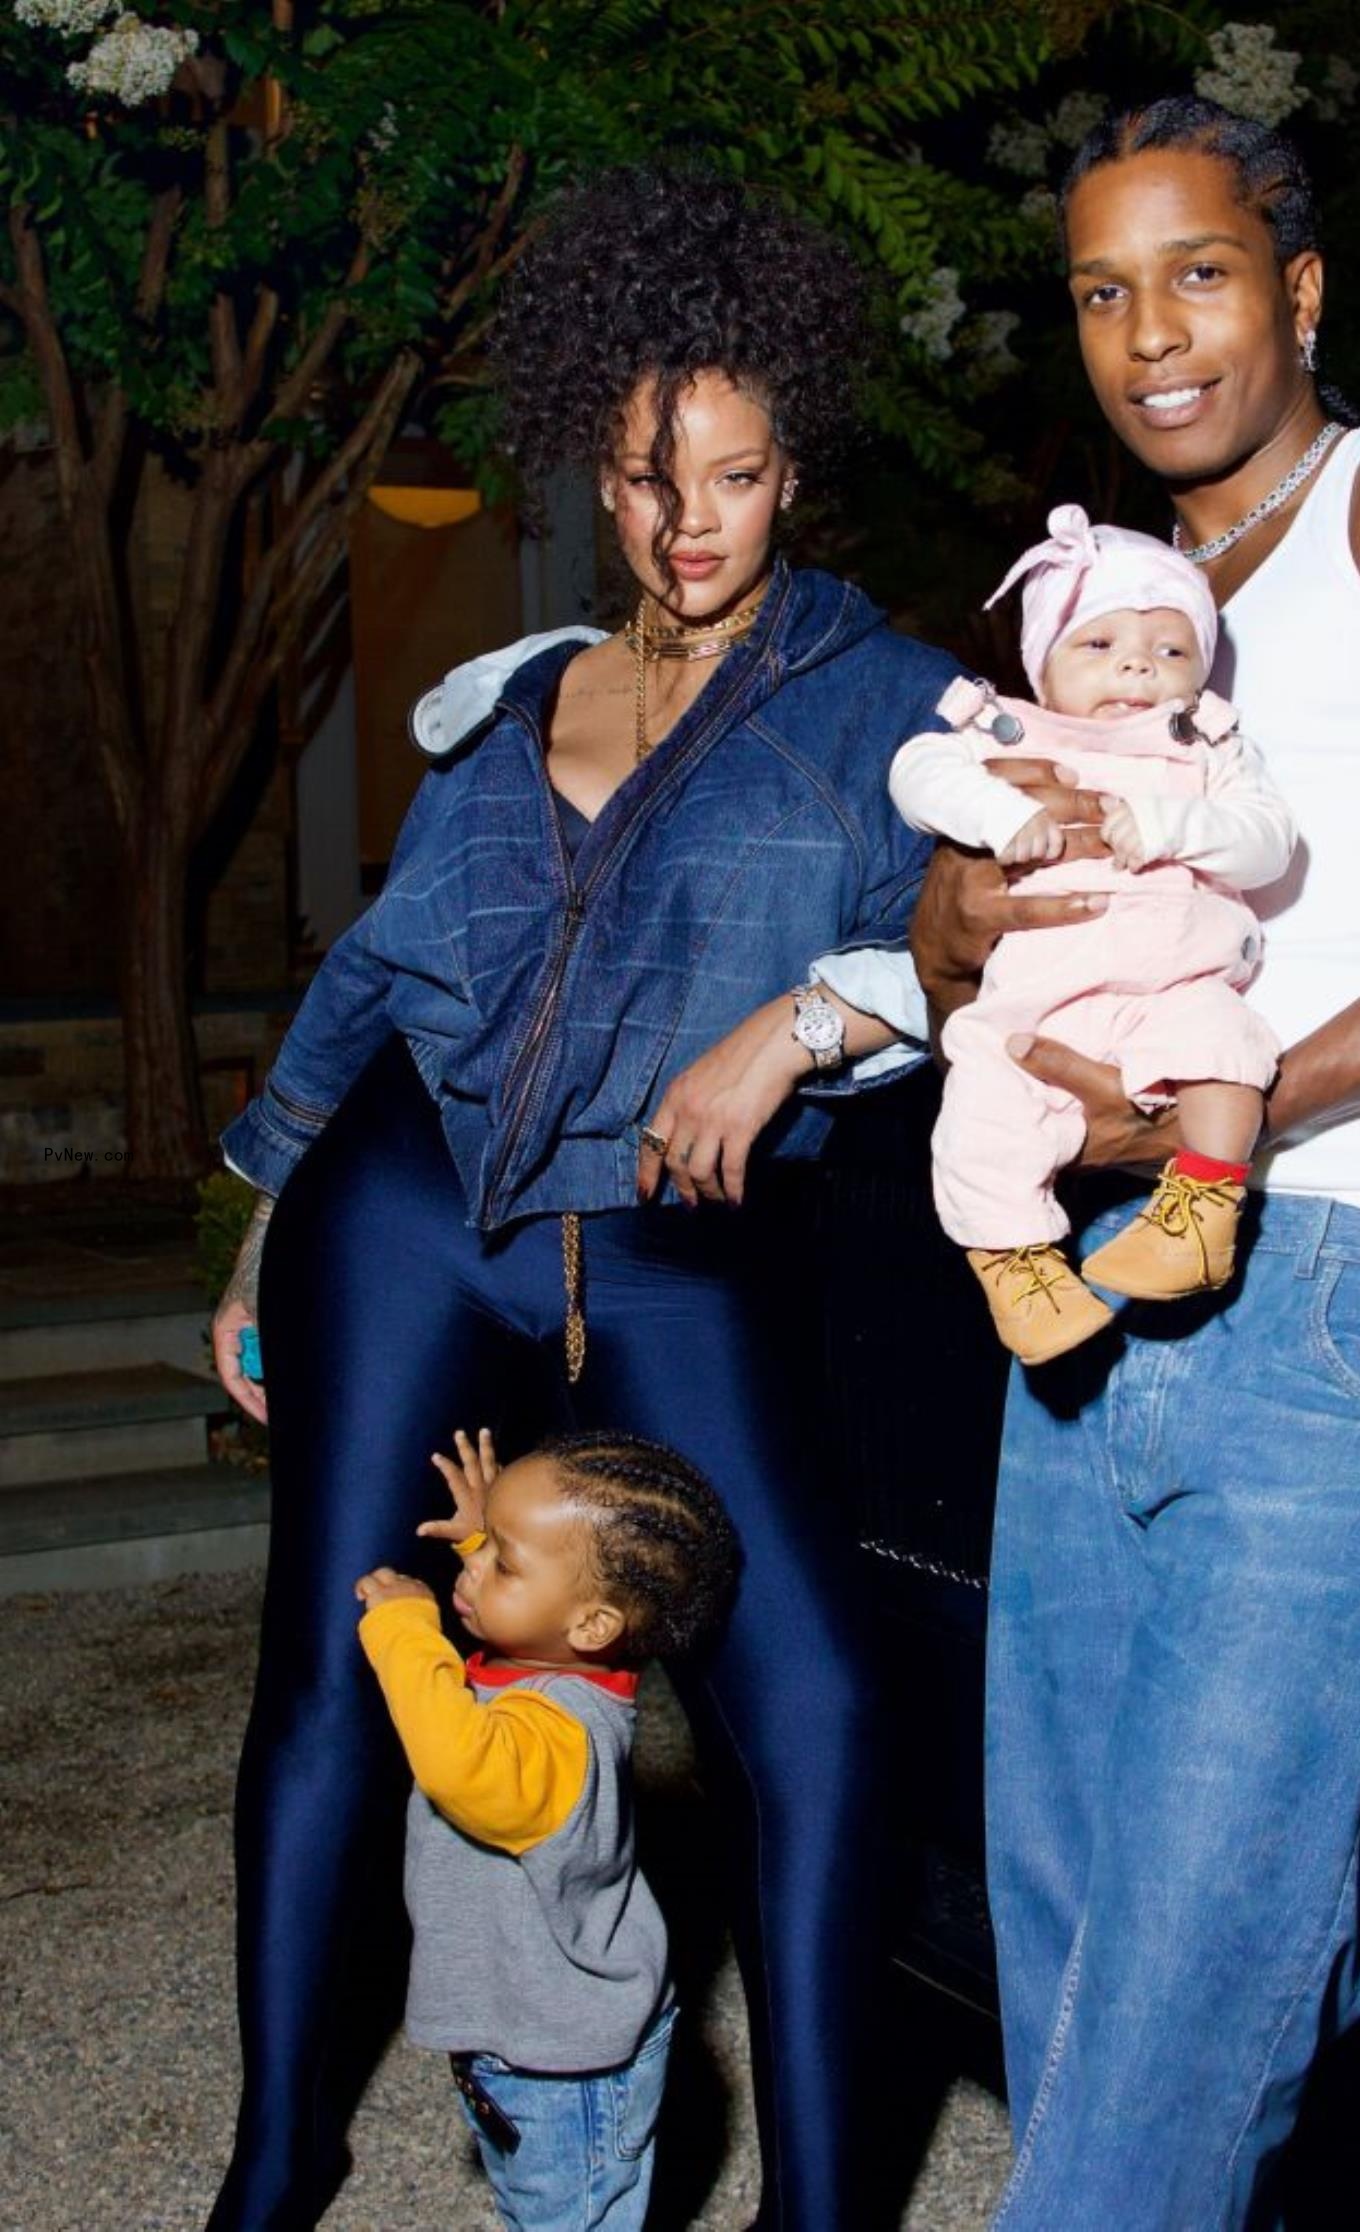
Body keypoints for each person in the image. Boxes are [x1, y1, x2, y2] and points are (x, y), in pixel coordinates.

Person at [902, 98, 1360, 2228]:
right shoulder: (1123, 602)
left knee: (1191, 1987)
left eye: (1201, 272)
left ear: (1300, 287)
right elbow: (967, 904)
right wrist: (962, 924)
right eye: (1103, 291)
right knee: (1082, 1956)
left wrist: (1246, 1113)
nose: (1151, 333)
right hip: (1098, 1286)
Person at [203, 165, 961, 2232]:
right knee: (330, 1673)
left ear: (791, 462)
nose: (687, 521)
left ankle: (822, 2207)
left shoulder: (885, 701)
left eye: (726, 474)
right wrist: (270, 1204)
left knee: (816, 1698)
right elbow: (382, 968)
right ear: (601, 479)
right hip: (401, 1211)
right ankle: (273, 2167)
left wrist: (802, 1021)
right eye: (644, 478)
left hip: (662, 1241)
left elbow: (969, 946)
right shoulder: (518, 698)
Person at [888, 504, 1293, 1362]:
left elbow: (1267, 841)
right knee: (982, 1105)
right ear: (1044, 664)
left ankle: (1205, 1208)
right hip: (1043, 996)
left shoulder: (1206, 746)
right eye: (1100, 645)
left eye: (1170, 650)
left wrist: (1176, 824)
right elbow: (914, 770)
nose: (1138, 667)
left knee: (1224, 1047)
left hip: (1175, 977)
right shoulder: (1008, 730)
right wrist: (995, 811)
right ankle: (1015, 1266)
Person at [353, 1427, 740, 2232]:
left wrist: (405, 1633)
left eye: (503, 1562)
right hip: (534, 2033)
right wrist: (487, 1534)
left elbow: (458, 1766)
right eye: (484, 1545)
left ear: (593, 1625)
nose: (470, 1567)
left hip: (564, 2064)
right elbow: (550, 1601)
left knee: (565, 2216)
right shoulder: (575, 1657)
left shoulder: (555, 1739)